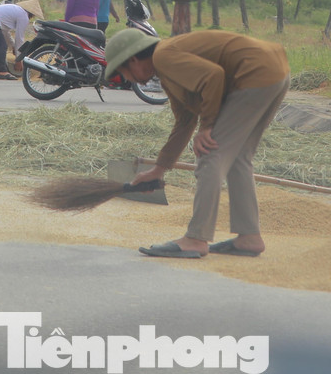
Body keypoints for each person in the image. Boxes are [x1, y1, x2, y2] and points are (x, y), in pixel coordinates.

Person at [102, 29, 290, 260]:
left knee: (209, 153)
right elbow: (184, 121)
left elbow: (213, 76)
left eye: (123, 72)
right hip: (273, 70)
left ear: (133, 59)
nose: (127, 80)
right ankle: (249, 238)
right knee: (239, 157)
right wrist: (159, 169)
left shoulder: (163, 56)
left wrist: (208, 125)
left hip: (254, 73)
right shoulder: (168, 72)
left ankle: (196, 239)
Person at [0, 0, 43, 79]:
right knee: (2, 45)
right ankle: (2, 71)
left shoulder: (15, 10)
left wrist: (12, 46)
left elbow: (5, 32)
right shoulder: (23, 15)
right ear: (32, 14)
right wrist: (18, 59)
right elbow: (19, 38)